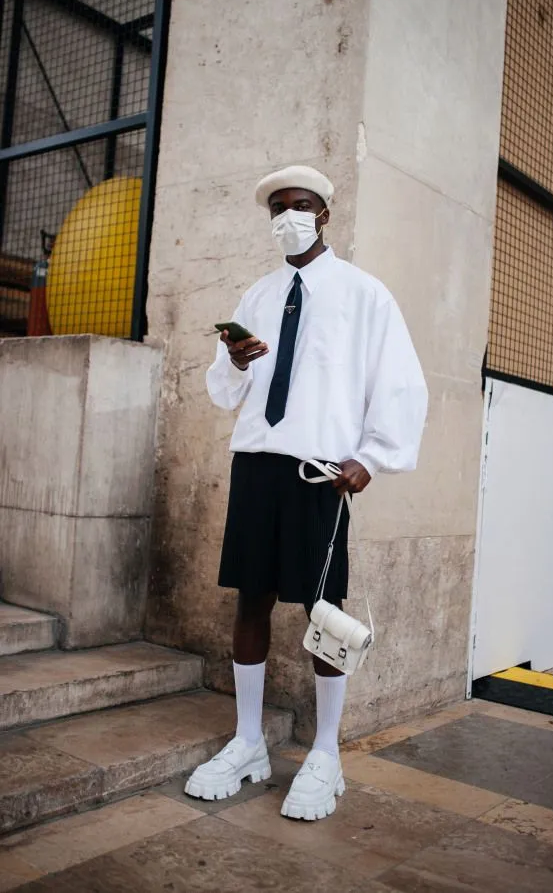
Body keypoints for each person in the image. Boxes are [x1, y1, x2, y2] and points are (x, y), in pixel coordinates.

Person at [185, 165, 428, 821]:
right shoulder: (257, 295)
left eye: (300, 206)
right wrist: (235, 361)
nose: (287, 217)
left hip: (318, 472)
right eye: (278, 209)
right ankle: (247, 742)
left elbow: (400, 381)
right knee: (250, 601)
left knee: (324, 615)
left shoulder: (363, 294)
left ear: (323, 215)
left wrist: (371, 458)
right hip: (258, 464)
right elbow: (225, 388)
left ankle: (325, 753)